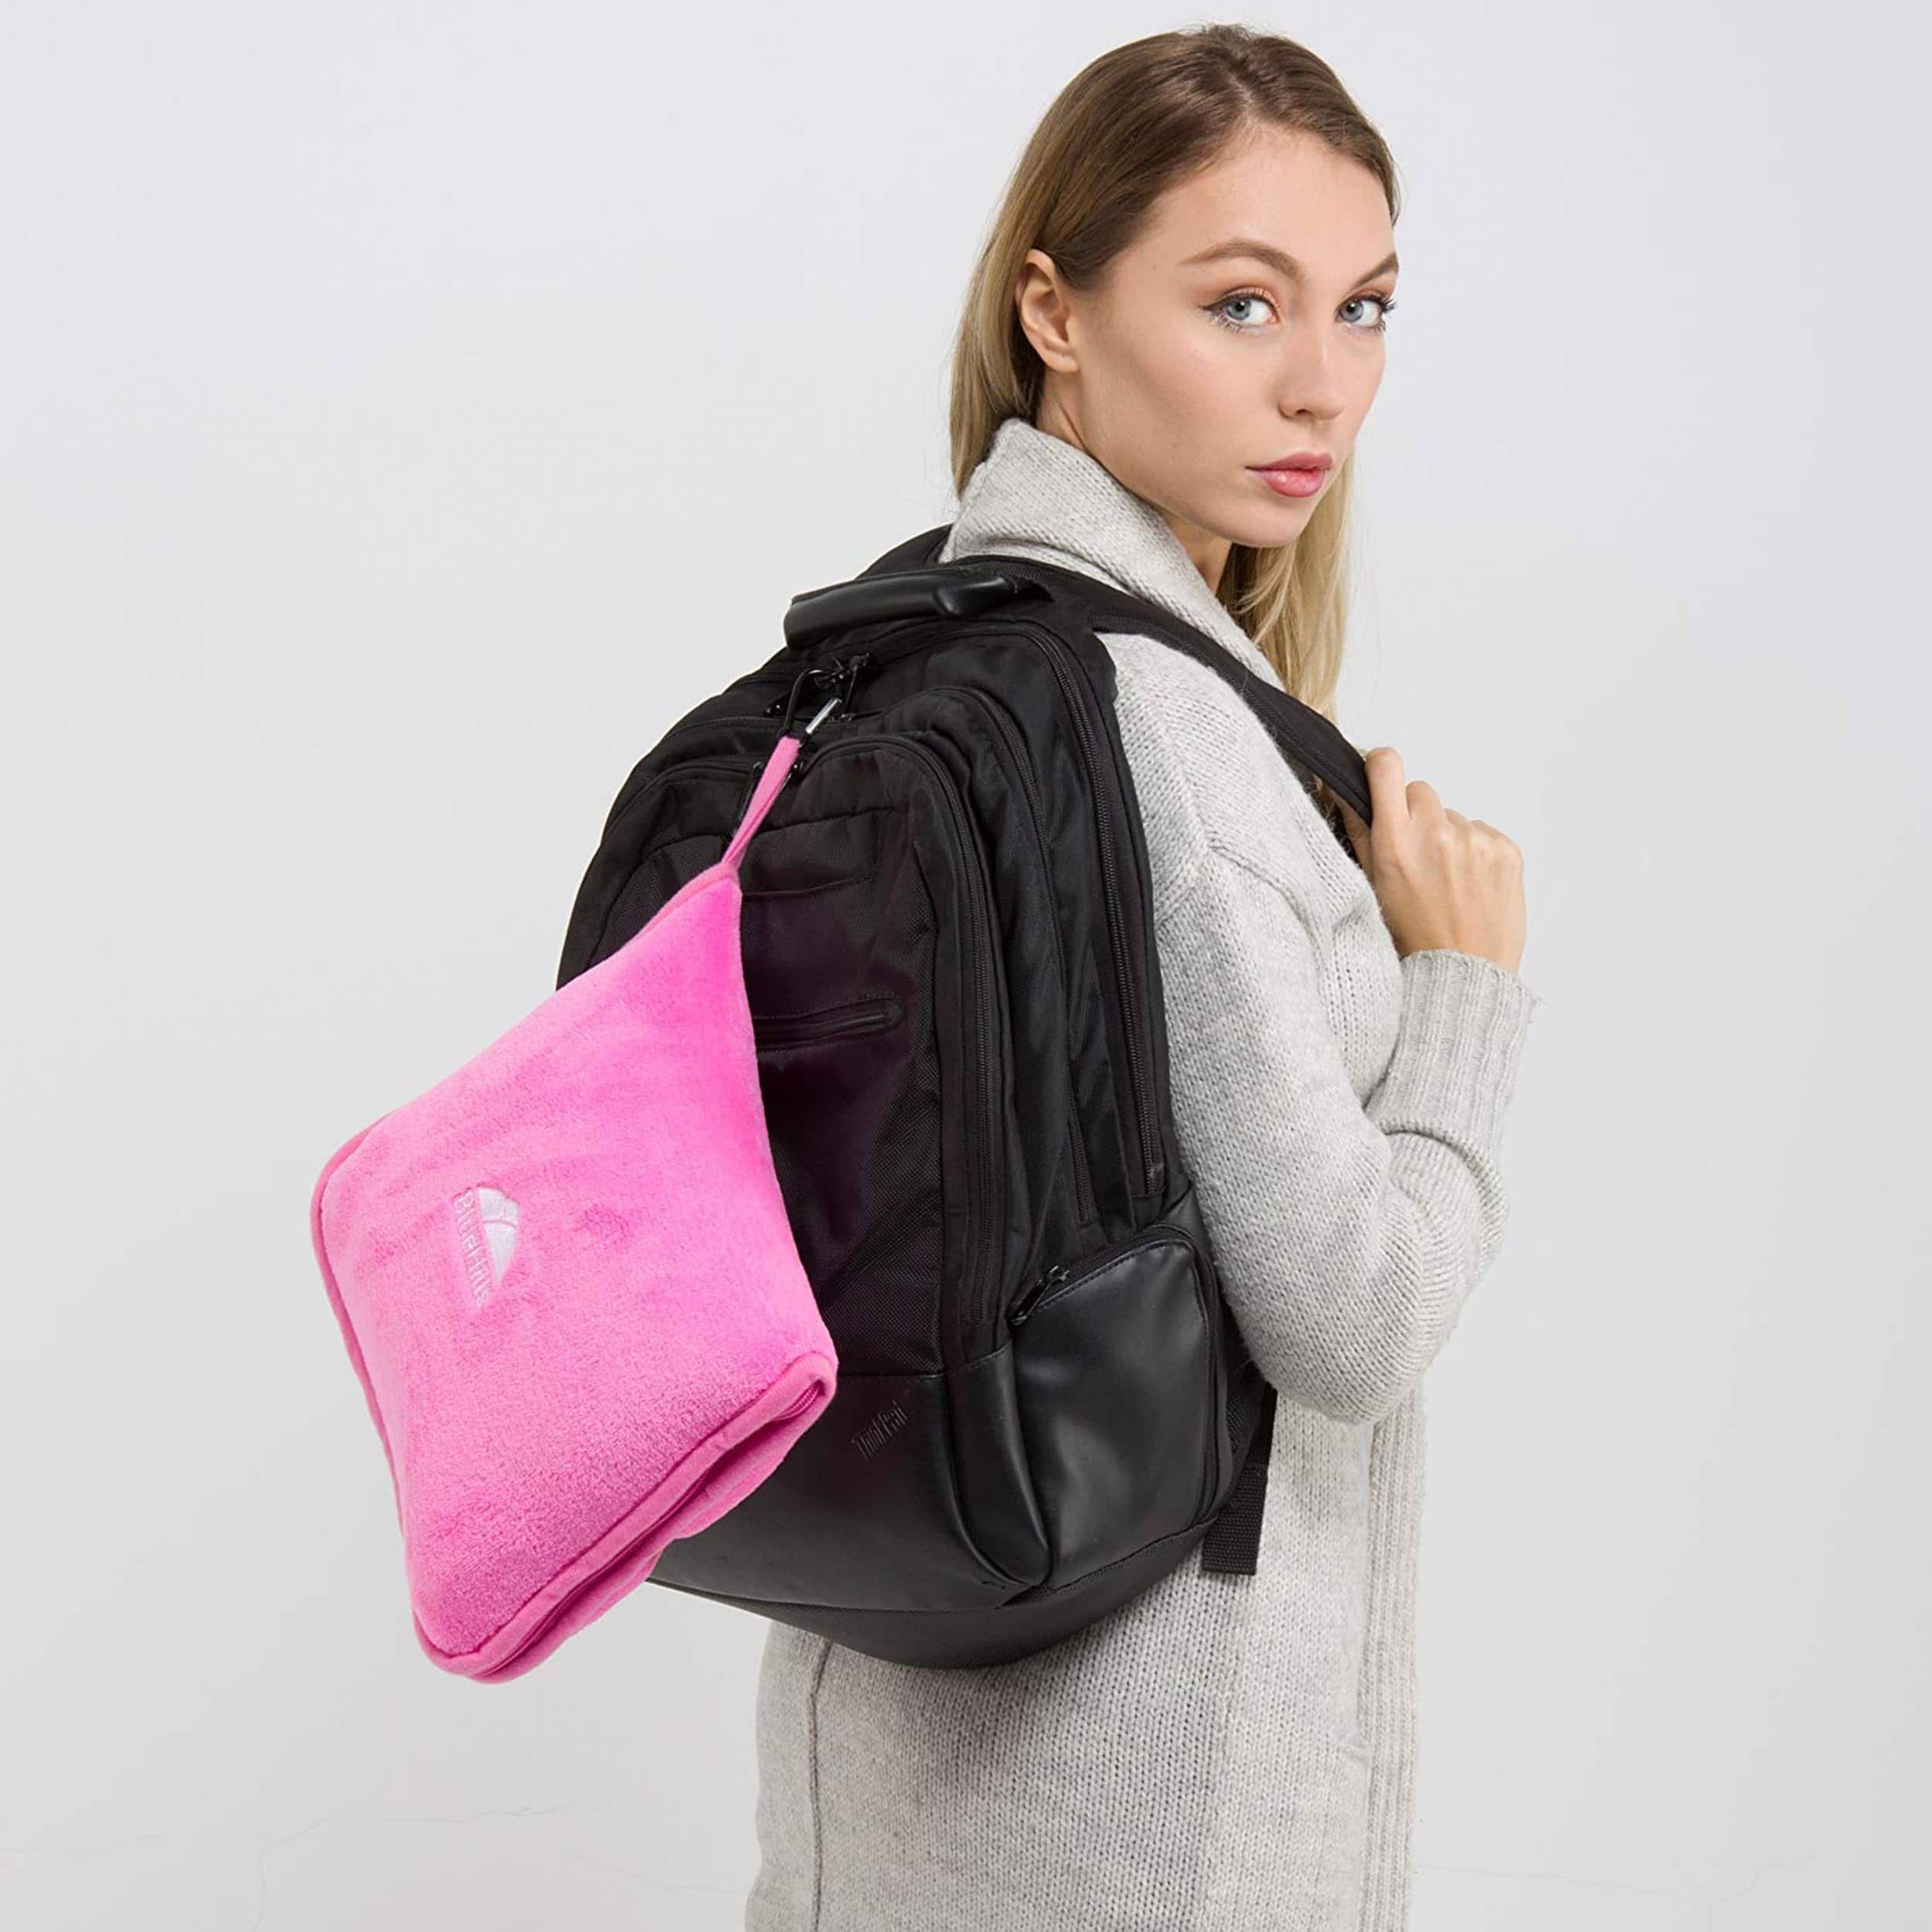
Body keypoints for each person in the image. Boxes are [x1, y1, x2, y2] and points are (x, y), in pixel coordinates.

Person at [746, 24, 1540, 1930]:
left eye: (1361, 308)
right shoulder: (1166, 740)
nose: (1317, 380)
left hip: (882, 1731)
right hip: (1152, 1817)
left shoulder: (909, 656)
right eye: (1239, 301)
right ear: (1055, 310)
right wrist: (1461, 985)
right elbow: (1349, 1318)